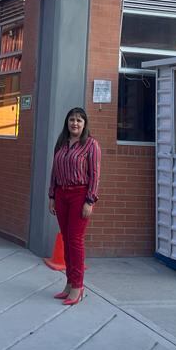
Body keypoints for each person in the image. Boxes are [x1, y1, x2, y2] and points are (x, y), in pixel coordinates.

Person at [48, 106, 101, 306]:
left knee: (75, 241)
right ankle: (70, 283)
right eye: (72, 119)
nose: (75, 123)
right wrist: (52, 195)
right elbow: (54, 171)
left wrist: (90, 200)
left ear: (84, 123)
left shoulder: (91, 145)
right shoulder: (61, 143)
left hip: (80, 195)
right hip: (61, 194)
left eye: (79, 120)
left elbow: (95, 175)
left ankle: (78, 287)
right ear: (67, 122)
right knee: (67, 241)